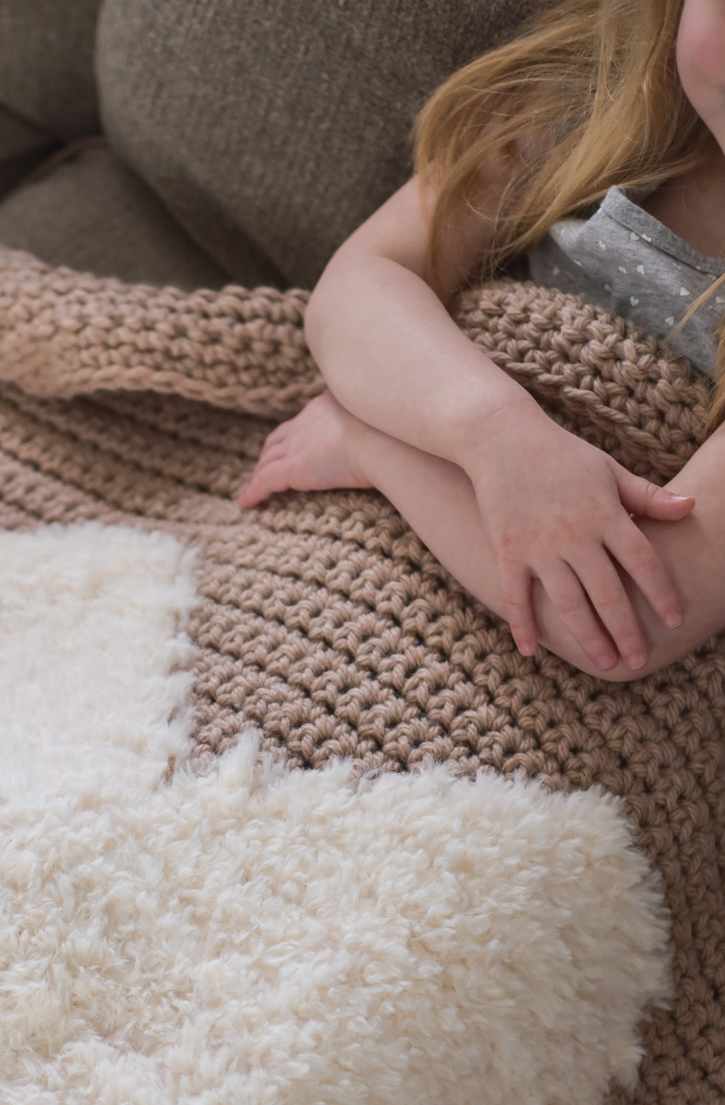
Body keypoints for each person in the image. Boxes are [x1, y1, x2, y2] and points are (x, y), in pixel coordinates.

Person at [238, 0, 725, 683]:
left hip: (546, 662)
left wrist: (368, 443)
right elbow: (363, 280)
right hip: (385, 503)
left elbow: (631, 622)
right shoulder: (591, 90)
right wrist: (497, 433)